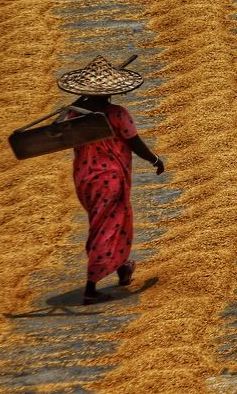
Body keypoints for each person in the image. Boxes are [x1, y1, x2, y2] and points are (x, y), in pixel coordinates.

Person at [57, 55, 164, 304]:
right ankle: (91, 288)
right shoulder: (117, 114)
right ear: (112, 92)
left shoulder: (74, 115)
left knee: (105, 222)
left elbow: (58, 132)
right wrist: (155, 159)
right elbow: (134, 143)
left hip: (85, 180)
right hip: (111, 180)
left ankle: (123, 267)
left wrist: (79, 103)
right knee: (106, 227)